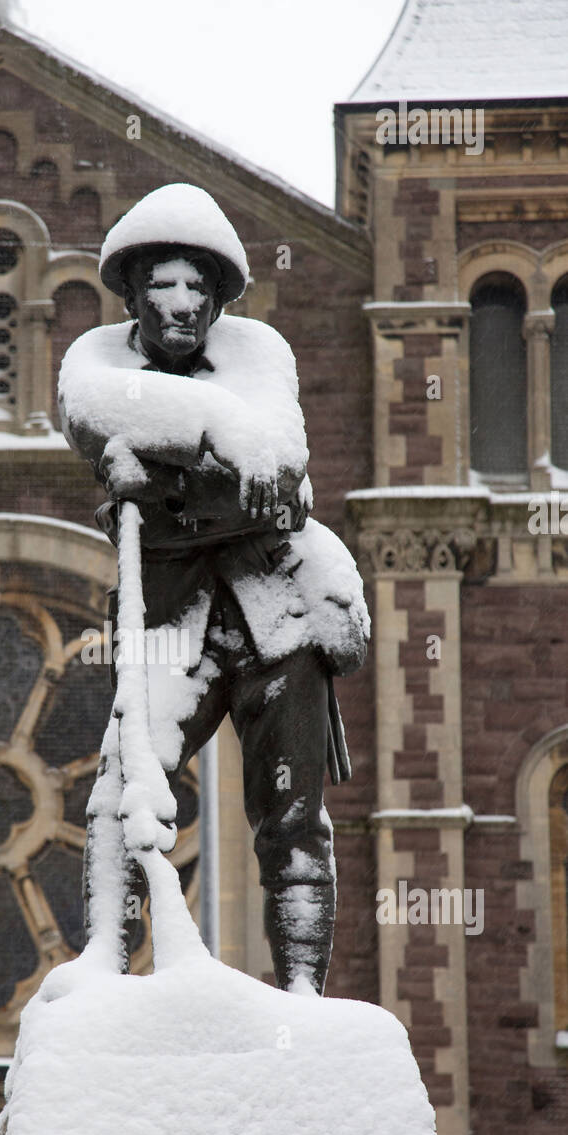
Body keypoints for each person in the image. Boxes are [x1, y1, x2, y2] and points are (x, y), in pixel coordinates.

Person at [58, 183, 369, 993]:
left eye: (199, 287)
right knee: (118, 799)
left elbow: (282, 472)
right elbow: (92, 410)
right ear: (133, 293)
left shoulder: (260, 353)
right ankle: (102, 968)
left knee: (293, 821)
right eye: (164, 286)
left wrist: (159, 489)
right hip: (169, 621)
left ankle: (303, 995)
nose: (183, 303)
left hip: (280, 615)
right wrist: (219, 439)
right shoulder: (94, 361)